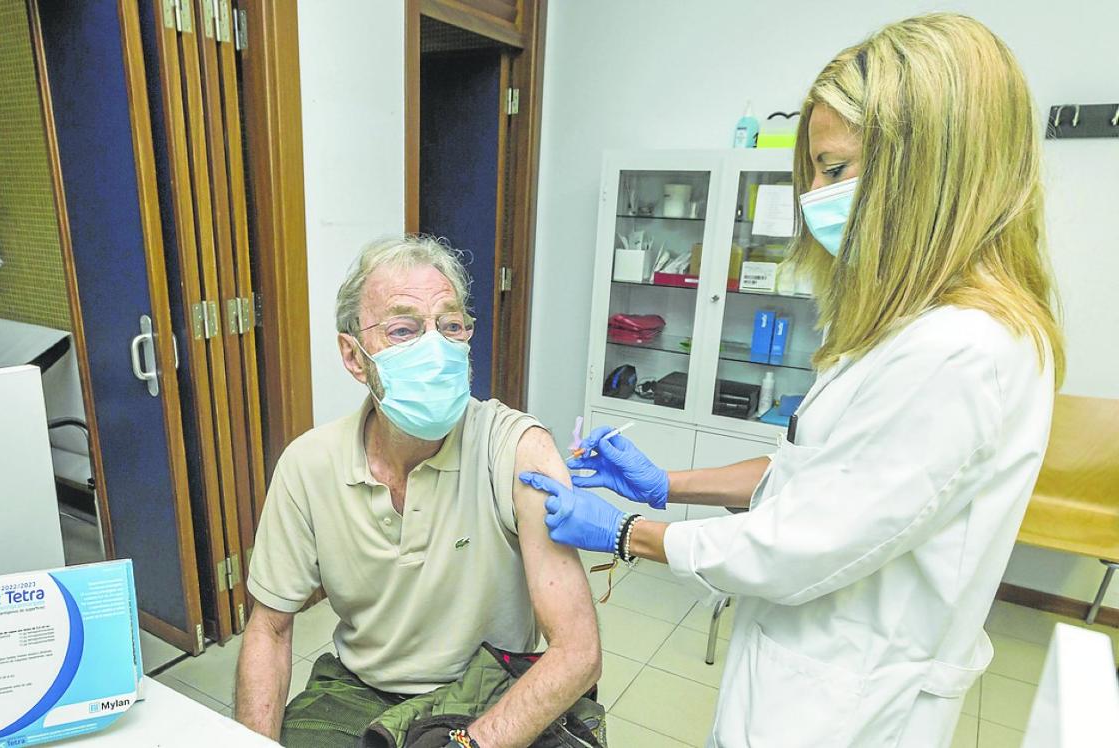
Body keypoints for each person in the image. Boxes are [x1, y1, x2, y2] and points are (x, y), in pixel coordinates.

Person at [521, 14, 1063, 748]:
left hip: (850, 707)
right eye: (811, 171)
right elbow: (819, 476)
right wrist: (667, 484)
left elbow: (800, 544)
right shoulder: (915, 327)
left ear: (928, 170)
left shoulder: (963, 350)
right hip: (798, 680)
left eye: (835, 170)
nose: (814, 197)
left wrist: (623, 530)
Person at [234, 235, 604, 748]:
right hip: (359, 689)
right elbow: (269, 630)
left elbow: (578, 652)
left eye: (451, 326)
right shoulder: (308, 465)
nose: (436, 349)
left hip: (490, 687)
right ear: (355, 356)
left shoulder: (517, 450)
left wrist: (471, 745)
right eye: (404, 329)